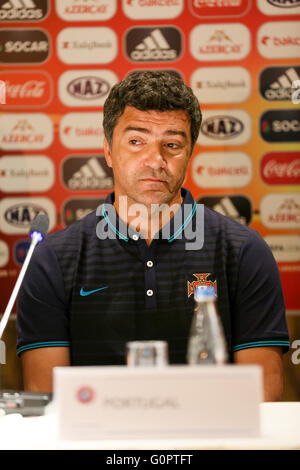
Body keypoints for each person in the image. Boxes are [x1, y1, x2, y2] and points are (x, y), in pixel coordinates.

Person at [17, 71, 289, 399]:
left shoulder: (243, 250)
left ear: (190, 153)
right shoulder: (52, 259)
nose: (155, 161)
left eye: (172, 144)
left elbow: (262, 402)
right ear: (107, 150)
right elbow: (47, 407)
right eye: (136, 141)